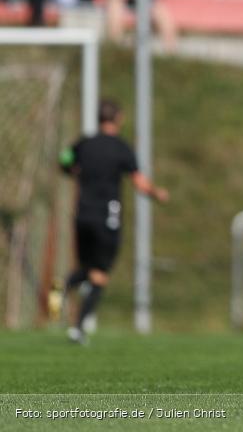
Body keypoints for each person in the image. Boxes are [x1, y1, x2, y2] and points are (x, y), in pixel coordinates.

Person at [59, 99, 168, 345]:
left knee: (88, 268)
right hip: (107, 216)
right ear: (118, 119)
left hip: (82, 215)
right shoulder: (121, 148)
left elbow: (64, 158)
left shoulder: (84, 143)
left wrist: (71, 170)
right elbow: (139, 183)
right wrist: (157, 193)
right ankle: (77, 327)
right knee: (99, 274)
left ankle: (64, 285)